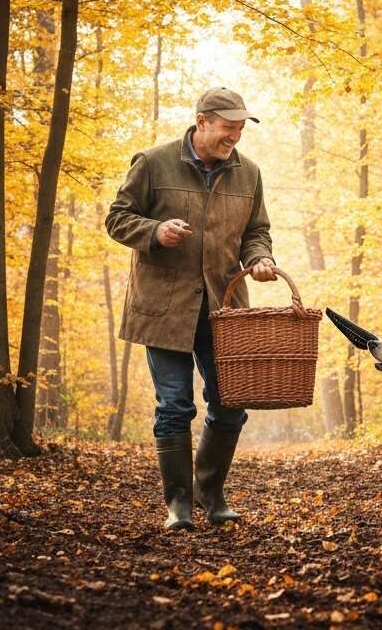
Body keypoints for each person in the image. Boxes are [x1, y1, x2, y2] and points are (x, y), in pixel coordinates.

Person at [105, 86, 278, 530]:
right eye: (227, 127)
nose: (235, 136)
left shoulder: (249, 174)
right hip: (164, 307)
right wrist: (155, 231)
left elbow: (257, 231)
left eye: (240, 128)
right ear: (202, 121)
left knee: (230, 403)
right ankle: (178, 503)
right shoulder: (153, 162)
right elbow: (117, 218)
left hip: (225, 309)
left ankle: (210, 492)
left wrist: (261, 258)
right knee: (174, 405)